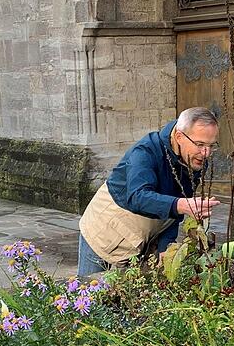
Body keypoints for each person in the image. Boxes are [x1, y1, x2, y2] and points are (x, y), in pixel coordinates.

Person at [77, 107, 221, 276]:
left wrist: (166, 246)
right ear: (179, 136)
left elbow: (174, 210)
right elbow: (137, 196)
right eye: (200, 144)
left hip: (138, 240)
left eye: (211, 146)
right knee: (88, 296)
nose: (206, 153)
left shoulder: (194, 161)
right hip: (102, 236)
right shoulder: (145, 152)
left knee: (132, 297)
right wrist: (182, 204)